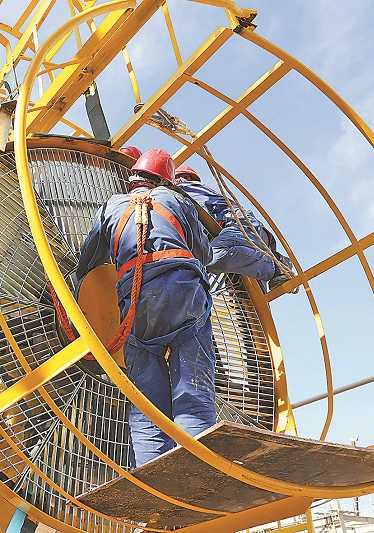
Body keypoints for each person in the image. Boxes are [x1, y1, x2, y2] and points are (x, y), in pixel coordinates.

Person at [77, 149, 216, 468]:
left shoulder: (112, 205)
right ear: (165, 180)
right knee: (193, 398)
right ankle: (196, 472)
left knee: (147, 409)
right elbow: (205, 254)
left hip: (137, 305)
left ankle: (153, 480)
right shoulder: (177, 199)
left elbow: (88, 260)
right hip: (184, 294)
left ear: (134, 180)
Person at [174, 165, 293, 291]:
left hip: (240, 227)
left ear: (184, 178)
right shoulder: (199, 195)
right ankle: (273, 265)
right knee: (250, 298)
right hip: (249, 237)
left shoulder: (185, 188)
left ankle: (277, 265)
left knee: (212, 257)